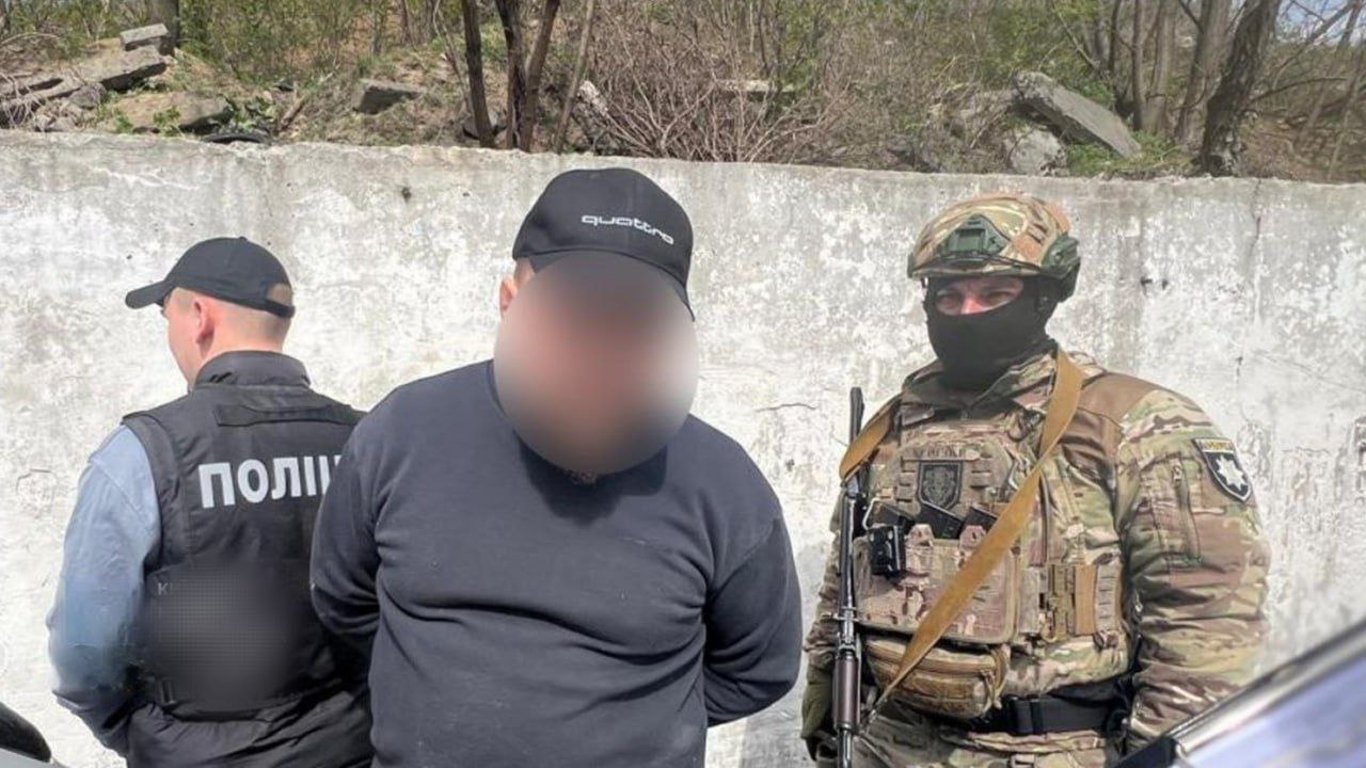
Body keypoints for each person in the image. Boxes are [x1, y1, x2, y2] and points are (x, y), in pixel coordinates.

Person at [310, 168, 802, 768]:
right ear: (510, 301)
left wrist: (642, 722)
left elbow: (758, 667)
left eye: (634, 324)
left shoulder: (723, 484)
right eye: (577, 316)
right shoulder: (400, 434)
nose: (602, 352)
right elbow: (345, 601)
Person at [801, 193, 1269, 767]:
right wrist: (826, 717)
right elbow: (843, 585)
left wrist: (1160, 757)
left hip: (1049, 747)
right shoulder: (897, 423)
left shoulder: (1135, 423)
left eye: (995, 294)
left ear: (1044, 297)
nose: (968, 312)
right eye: (948, 296)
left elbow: (1208, 618)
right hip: (890, 743)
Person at [48, 237, 372, 766]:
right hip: (349, 744)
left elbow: (87, 647)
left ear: (198, 316)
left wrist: (131, 729)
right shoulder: (364, 438)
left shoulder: (146, 451)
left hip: (198, 752)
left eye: (167, 317)